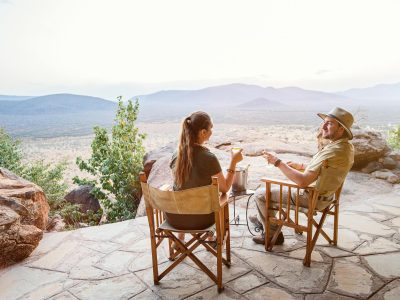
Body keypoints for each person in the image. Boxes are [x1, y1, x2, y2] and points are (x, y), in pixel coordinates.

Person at [250, 107, 355, 245]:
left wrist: (277, 162)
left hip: (310, 198)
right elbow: (325, 170)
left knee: (260, 194)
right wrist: (299, 166)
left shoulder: (332, 151)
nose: (323, 126)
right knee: (271, 192)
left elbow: (302, 181)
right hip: (328, 198)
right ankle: (263, 220)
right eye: (325, 122)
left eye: (329, 123)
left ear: (341, 129)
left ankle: (271, 234)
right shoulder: (346, 148)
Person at [167, 111, 243, 242]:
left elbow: (180, 184)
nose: (212, 131)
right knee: (220, 196)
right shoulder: (209, 158)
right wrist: (233, 162)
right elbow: (224, 188)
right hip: (202, 221)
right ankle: (210, 236)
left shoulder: (176, 154)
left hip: (176, 219)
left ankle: (180, 238)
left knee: (184, 190)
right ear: (203, 132)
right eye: (211, 128)